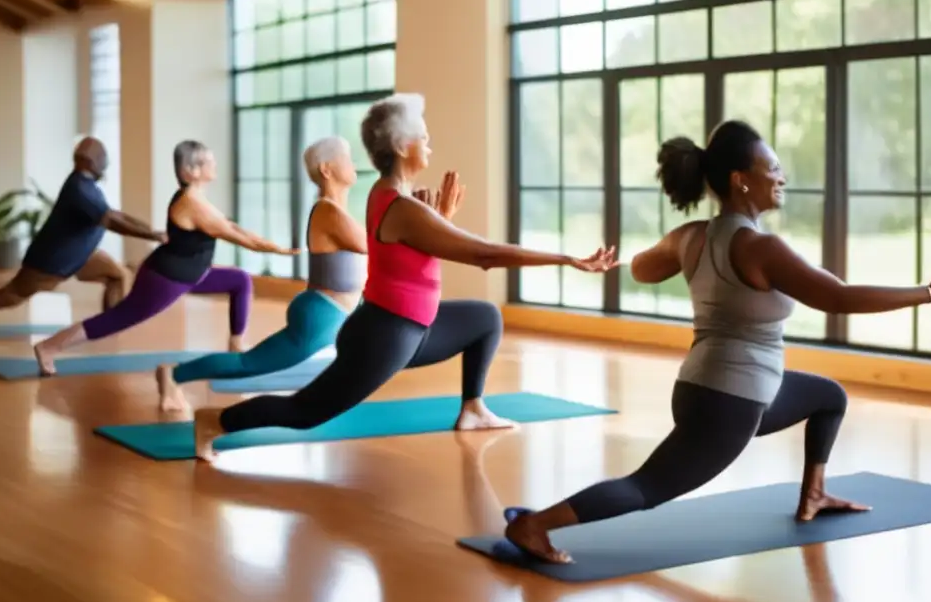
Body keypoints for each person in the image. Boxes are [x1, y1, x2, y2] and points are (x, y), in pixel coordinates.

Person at [501, 119, 931, 564]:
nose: (781, 176)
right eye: (772, 168)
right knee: (646, 487)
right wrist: (930, 294)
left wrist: (682, 259)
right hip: (731, 400)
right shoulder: (758, 247)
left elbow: (643, 268)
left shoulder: (692, 236)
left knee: (828, 397)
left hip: (711, 387)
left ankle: (814, 493)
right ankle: (536, 525)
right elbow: (838, 297)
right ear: (741, 180)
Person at [191, 92, 618, 461]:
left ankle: (473, 408)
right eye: (425, 138)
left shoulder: (395, 195)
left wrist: (442, 218)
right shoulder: (403, 205)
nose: (430, 145)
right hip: (385, 335)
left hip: (413, 329)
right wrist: (566, 259)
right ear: (401, 144)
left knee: (484, 318)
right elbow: (482, 255)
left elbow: (420, 251)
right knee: (304, 413)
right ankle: (215, 421)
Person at [33, 140, 296, 375]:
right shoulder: (191, 203)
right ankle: (48, 347)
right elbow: (237, 236)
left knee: (240, 281)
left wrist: (274, 247)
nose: (215, 163)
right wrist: (278, 251)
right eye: (209, 161)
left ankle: (236, 345)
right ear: (190, 171)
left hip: (193, 274)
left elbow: (232, 227)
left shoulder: (198, 198)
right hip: (166, 278)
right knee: (117, 319)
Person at [155, 135, 367, 412]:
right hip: (322, 316)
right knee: (249, 364)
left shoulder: (338, 209)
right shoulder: (328, 211)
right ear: (327, 170)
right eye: (347, 159)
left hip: (342, 314)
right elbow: (374, 243)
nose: (354, 165)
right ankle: (174, 374)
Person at [0, 137, 160, 327]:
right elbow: (113, 222)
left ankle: (108, 326)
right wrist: (150, 236)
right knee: (11, 295)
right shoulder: (78, 188)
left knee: (117, 275)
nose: (104, 164)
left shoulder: (88, 186)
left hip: (80, 256)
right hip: (50, 262)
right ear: (88, 161)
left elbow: (116, 214)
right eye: (101, 158)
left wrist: (152, 231)